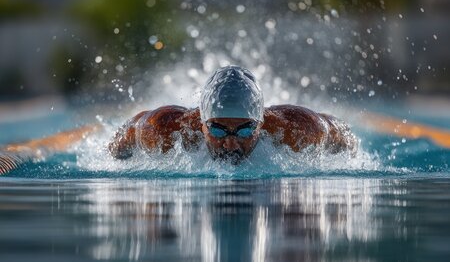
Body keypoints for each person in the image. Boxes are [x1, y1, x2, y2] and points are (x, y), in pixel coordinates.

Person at [108, 66, 357, 164]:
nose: (230, 143)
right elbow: (121, 140)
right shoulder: (163, 130)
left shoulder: (299, 129)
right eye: (217, 129)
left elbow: (344, 136)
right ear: (201, 123)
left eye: (245, 130)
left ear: (262, 124)